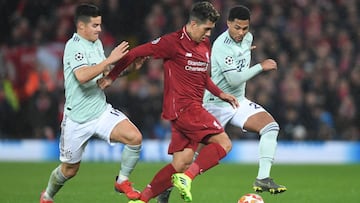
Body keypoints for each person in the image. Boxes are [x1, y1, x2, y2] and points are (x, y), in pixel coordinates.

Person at [97, 2, 239, 203]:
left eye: (211, 30)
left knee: (181, 162)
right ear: (193, 24)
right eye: (206, 29)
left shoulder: (204, 44)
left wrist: (220, 93)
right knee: (224, 143)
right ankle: (187, 178)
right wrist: (112, 76)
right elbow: (136, 53)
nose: (208, 34)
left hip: (189, 109)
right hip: (185, 108)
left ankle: (141, 200)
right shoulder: (172, 42)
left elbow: (202, 76)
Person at [156, 5, 287, 202]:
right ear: (227, 24)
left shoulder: (247, 39)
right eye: (237, 28)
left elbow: (239, 61)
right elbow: (234, 80)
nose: (241, 33)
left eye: (245, 28)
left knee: (270, 127)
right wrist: (261, 66)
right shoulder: (220, 46)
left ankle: (263, 178)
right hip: (214, 104)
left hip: (237, 102)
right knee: (186, 159)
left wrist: (243, 52)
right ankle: (165, 189)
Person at [39, 4, 145, 203]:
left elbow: (104, 74)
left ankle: (122, 181)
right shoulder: (74, 46)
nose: (99, 29)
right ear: (81, 26)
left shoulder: (95, 43)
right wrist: (110, 59)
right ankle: (47, 196)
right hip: (76, 119)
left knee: (135, 138)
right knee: (69, 170)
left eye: (100, 25)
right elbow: (82, 76)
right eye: (95, 25)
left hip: (99, 111)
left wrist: (130, 69)